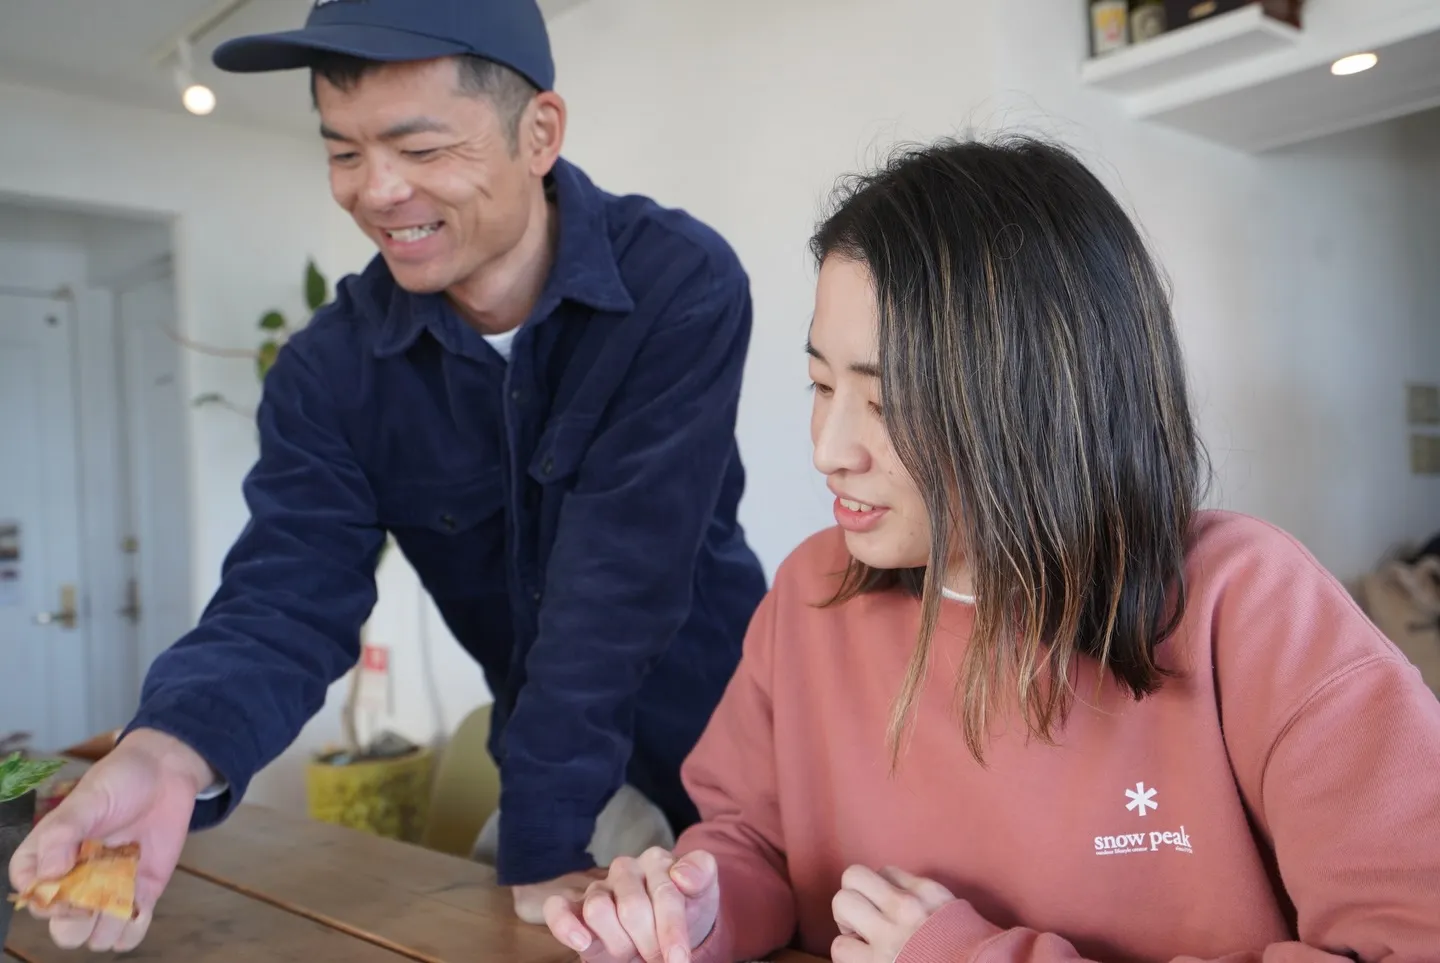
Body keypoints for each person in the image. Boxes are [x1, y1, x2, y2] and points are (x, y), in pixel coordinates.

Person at [540, 135, 1440, 963]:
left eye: (887, 403)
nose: (828, 447)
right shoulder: (813, 593)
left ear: (1041, 400)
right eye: (820, 383)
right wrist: (693, 907)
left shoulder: (1249, 605)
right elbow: (750, 841)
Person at [9, 0, 768, 950]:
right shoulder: (330, 373)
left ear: (539, 133)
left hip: (746, 754)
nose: (378, 192)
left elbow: (619, 582)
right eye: (343, 152)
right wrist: (166, 753)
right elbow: (285, 595)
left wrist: (539, 842)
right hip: (576, 775)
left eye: (420, 148)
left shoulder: (677, 282)